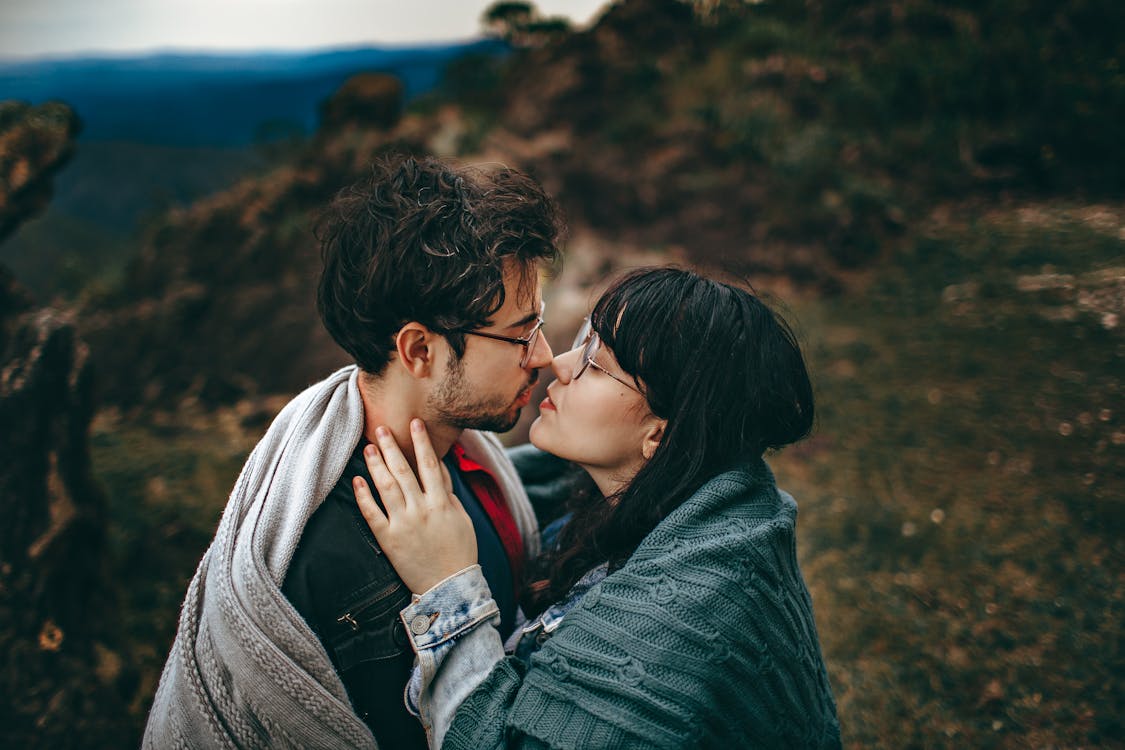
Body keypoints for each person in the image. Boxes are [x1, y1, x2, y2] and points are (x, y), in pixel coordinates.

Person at [143, 155, 562, 749]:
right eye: (521, 334)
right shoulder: (329, 562)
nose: (543, 355)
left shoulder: (468, 459)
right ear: (419, 350)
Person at [355, 267, 842, 749]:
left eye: (596, 361)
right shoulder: (617, 504)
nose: (558, 364)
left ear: (660, 433)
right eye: (582, 340)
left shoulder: (671, 628)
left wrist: (447, 587)